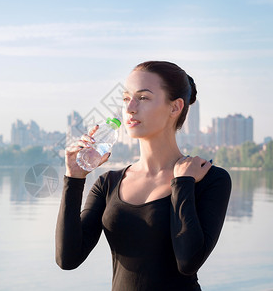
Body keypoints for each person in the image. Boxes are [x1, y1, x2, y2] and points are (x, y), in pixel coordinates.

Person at [55, 61, 232, 290]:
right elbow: (67, 259)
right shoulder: (108, 184)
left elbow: (188, 262)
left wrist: (183, 184)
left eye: (144, 98)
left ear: (175, 107)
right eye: (126, 98)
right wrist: (74, 179)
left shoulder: (208, 179)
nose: (130, 108)